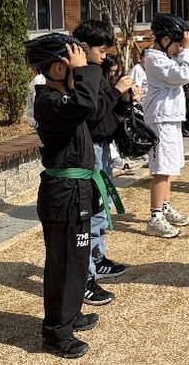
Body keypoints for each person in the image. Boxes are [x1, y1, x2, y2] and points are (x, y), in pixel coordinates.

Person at [26, 33, 101, 359]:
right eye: (74, 66)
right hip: (63, 195)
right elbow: (85, 103)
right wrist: (85, 72)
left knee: (77, 260)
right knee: (63, 263)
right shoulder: (49, 102)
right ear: (59, 68)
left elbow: (93, 108)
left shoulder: (66, 98)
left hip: (76, 192)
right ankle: (57, 332)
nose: (79, 72)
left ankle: (70, 314)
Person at [72, 20, 135, 307]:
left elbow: (104, 110)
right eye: (101, 47)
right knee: (93, 209)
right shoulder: (84, 73)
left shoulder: (94, 71)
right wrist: (116, 90)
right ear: (84, 46)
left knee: (101, 206)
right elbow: (92, 113)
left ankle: (97, 259)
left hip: (103, 146)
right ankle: (87, 274)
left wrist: (123, 98)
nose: (104, 53)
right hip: (92, 149)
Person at [143, 13, 189, 238]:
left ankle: (164, 206)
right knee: (161, 169)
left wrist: (188, 48)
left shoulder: (165, 57)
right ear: (165, 40)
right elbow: (184, 74)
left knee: (170, 166)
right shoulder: (154, 58)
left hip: (171, 117)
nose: (179, 49)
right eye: (177, 44)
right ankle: (155, 217)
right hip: (160, 118)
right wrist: (187, 50)